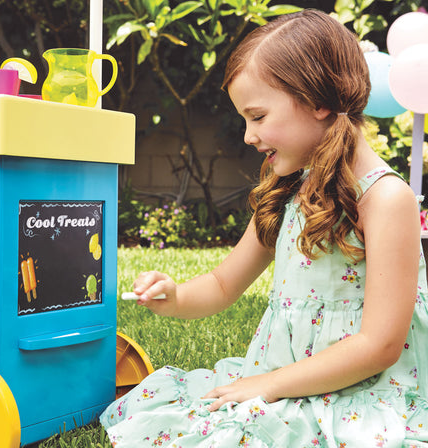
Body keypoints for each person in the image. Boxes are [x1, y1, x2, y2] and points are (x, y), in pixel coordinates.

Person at [100, 9, 428, 447]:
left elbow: (379, 345)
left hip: (366, 390)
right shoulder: (290, 190)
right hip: (281, 380)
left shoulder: (386, 199)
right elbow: (221, 284)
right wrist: (175, 295)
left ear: (318, 101)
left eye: (257, 116)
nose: (248, 136)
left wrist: (267, 387)